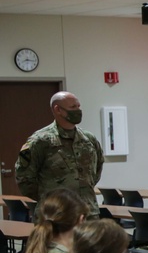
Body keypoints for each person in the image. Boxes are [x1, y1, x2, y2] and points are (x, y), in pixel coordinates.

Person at [15, 91, 104, 219]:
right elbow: (24, 178)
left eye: (78, 106)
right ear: (58, 110)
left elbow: (96, 170)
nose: (78, 110)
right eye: (73, 107)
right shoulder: (41, 140)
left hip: (87, 212)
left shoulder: (88, 139)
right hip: (54, 214)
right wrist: (48, 198)